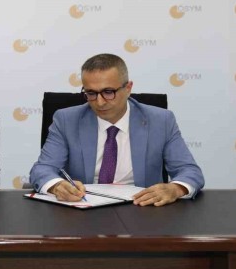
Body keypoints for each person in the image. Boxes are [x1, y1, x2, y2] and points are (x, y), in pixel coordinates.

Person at [29, 53, 204, 206]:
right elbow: (42, 170)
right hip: (83, 209)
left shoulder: (160, 120)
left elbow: (190, 171)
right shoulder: (66, 120)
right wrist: (57, 186)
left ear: (128, 88)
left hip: (141, 210)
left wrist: (175, 189)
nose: (100, 102)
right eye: (91, 93)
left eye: (108, 92)